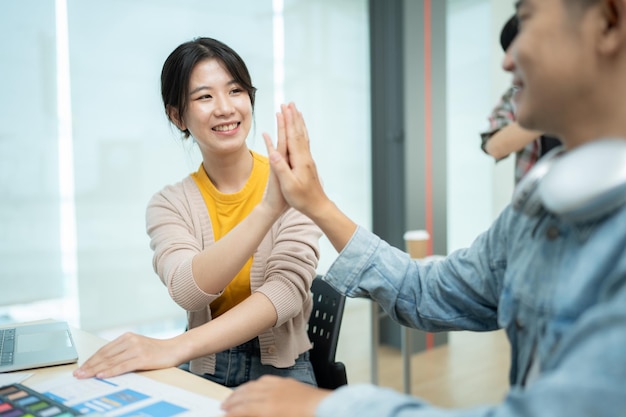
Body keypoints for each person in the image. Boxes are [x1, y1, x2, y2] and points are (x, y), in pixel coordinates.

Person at [221, 0, 626, 415]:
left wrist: (329, 409)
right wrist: (317, 204)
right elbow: (427, 289)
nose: (507, 60)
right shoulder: (537, 206)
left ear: (608, 22)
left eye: (525, 20)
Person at [73, 37, 322, 388]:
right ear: (177, 116)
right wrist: (267, 210)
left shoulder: (292, 179)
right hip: (205, 365)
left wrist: (174, 348)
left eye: (235, 91)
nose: (225, 108)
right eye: (205, 96)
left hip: (282, 369)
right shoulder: (169, 204)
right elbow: (189, 291)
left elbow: (287, 292)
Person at [481, 13, 562, 184]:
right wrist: (547, 114)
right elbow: (495, 146)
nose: (508, 64)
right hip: (536, 202)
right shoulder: (515, 94)